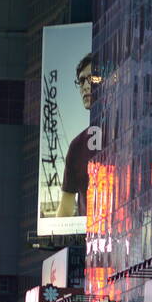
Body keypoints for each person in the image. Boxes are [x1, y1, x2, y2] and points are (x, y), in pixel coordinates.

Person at [55, 53, 94, 217]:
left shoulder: (129, 135)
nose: (85, 86)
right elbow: (65, 208)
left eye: (91, 79)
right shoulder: (77, 146)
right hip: (89, 238)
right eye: (81, 81)